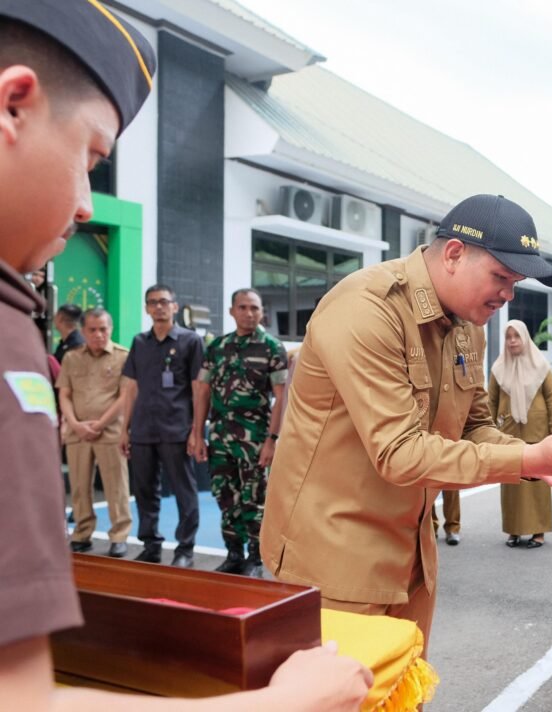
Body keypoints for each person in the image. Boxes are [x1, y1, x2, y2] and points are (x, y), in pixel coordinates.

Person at [0, 2, 370, 708]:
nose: (85, 204)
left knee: (208, 510)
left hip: (198, 435)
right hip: (165, 431)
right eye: (91, 157)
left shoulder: (239, 347)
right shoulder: (14, 331)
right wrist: (289, 702)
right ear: (15, 104)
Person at [261, 194, 552, 647]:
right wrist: (527, 458)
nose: (508, 295)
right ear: (453, 254)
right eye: (501, 277)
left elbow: (474, 427)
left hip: (410, 556)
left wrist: (546, 461)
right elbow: (399, 452)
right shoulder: (368, 308)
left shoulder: (467, 326)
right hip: (334, 559)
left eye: (516, 282)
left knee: (404, 695)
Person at [191, 288, 288, 577]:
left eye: (254, 308)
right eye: (243, 307)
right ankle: (233, 553)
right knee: (225, 496)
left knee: (255, 500)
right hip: (220, 436)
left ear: (261, 312)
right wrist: (198, 433)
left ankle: (256, 559)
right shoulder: (217, 347)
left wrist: (272, 440)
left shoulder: (272, 347)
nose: (249, 313)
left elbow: (281, 397)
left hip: (255, 438)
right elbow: (203, 390)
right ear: (232, 311)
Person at [120, 283, 203, 568]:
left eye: (164, 302)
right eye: (153, 302)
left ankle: (185, 548)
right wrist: (124, 428)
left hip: (176, 427)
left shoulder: (191, 341)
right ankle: (151, 544)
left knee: (183, 489)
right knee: (144, 489)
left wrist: (196, 430)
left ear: (175, 306)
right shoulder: (139, 342)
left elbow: (197, 388)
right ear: (146, 308)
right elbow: (131, 388)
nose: (158, 307)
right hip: (143, 428)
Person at [57, 308, 131, 557]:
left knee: (116, 487)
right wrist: (75, 423)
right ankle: (82, 532)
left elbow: (125, 396)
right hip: (77, 432)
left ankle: (119, 535)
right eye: (92, 330)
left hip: (110, 431)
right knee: (78, 487)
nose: (98, 334)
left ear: (110, 329)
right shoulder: (71, 357)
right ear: (83, 330)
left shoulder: (123, 356)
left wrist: (99, 423)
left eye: (103, 329)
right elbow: (64, 393)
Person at [488, 319, 552, 549]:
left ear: (524, 337)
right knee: (511, 482)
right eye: (508, 337)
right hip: (508, 434)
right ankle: (513, 530)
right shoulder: (498, 368)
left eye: (516, 336)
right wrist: (488, 432)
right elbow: (490, 402)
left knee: (537, 484)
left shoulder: (541, 366)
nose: (512, 341)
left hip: (537, 432)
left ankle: (538, 531)